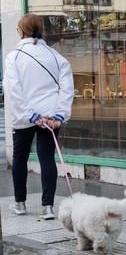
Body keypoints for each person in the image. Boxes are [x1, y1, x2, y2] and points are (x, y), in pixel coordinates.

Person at [3, 13, 74, 220]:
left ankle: (20, 204)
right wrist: (60, 114)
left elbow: (13, 89)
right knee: (47, 158)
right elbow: (67, 88)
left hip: (25, 116)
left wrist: (31, 115)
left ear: (21, 31)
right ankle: (48, 207)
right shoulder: (55, 56)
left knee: (20, 158)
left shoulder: (14, 56)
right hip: (51, 116)